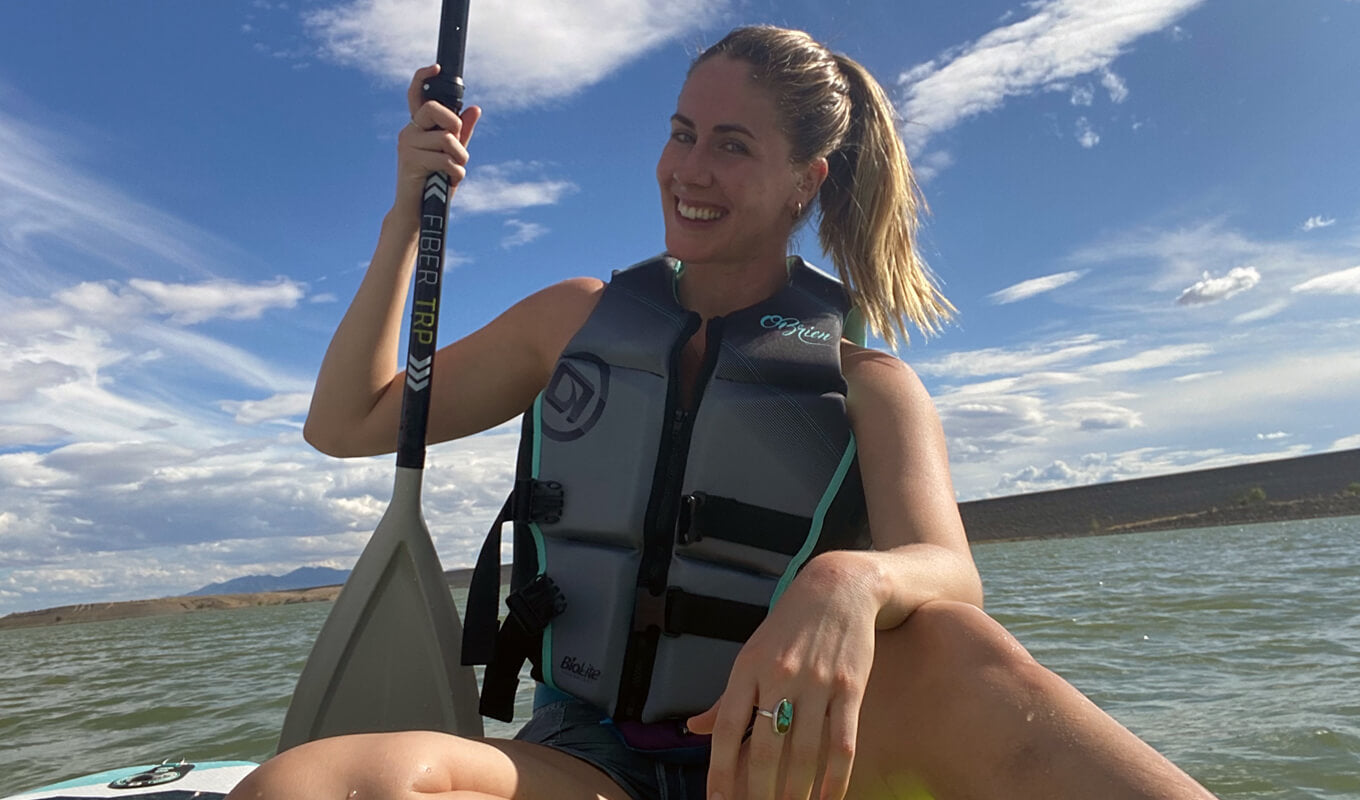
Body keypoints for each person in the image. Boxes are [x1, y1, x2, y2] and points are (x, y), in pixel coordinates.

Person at [229, 25, 1217, 800]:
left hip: (778, 761)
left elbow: (951, 571)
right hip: (585, 758)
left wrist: (850, 578)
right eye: (681, 133)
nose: (689, 169)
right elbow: (347, 421)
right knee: (305, 785)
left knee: (959, 649)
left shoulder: (869, 383)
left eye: (732, 146)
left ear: (804, 182)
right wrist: (408, 209)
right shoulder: (570, 322)